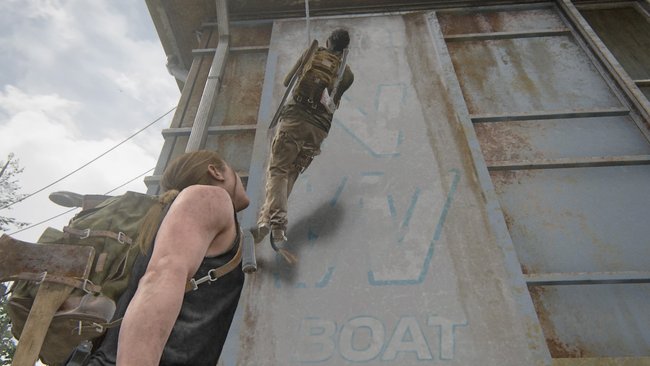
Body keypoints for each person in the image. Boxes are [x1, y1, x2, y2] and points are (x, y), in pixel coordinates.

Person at [84, 150, 250, 366]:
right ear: (216, 172)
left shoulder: (171, 220)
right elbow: (160, 277)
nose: (241, 179)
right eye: (233, 171)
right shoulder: (209, 197)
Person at [253, 28, 354, 246]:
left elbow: (288, 81)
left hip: (295, 118)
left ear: (328, 41)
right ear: (346, 49)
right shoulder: (347, 74)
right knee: (291, 171)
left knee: (278, 169)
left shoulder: (312, 54)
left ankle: (278, 224)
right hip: (318, 129)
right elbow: (333, 102)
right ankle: (265, 220)